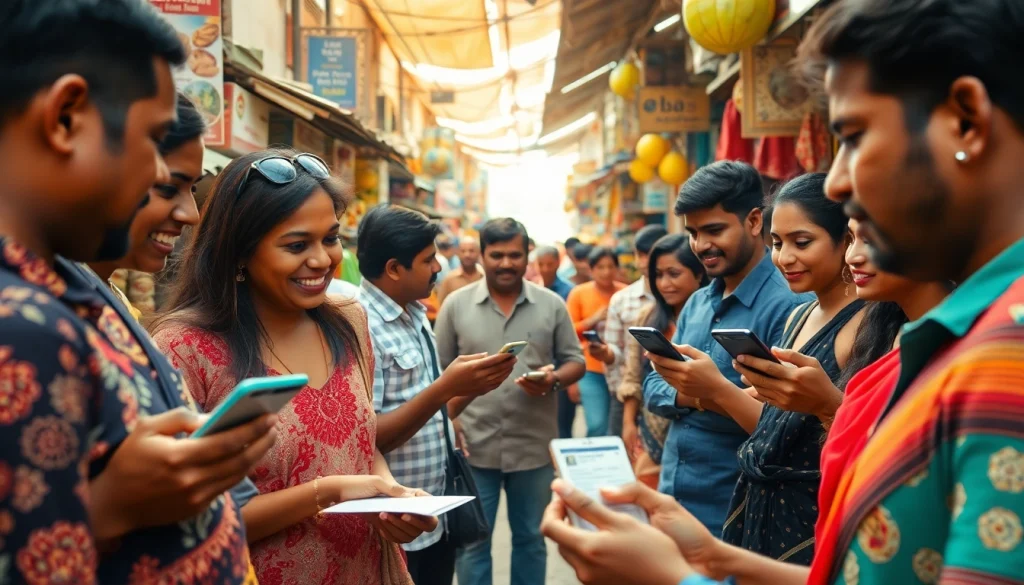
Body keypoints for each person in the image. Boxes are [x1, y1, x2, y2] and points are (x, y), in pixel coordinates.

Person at [544, 1, 1024, 583]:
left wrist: (677, 579)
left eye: (855, 136)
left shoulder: (1004, 354)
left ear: (966, 121)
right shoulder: (952, 334)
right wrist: (717, 560)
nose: (839, 182)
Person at [0, 2, 279, 583]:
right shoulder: (23, 327)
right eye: (151, 141)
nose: (156, 174)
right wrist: (113, 507)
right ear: (65, 117)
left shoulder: (69, 291)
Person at [538, 220, 952, 585]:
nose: (855, 255)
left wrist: (817, 405)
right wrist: (714, 558)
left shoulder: (919, 348)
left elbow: (857, 466)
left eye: (870, 237)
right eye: (779, 243)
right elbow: (658, 388)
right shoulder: (788, 316)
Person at [151, 149, 436, 585]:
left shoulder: (349, 321)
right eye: (297, 245)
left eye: (331, 238)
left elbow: (362, 443)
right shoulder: (185, 349)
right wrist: (328, 492)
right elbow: (187, 520)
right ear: (239, 252)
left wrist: (388, 495)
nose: (322, 260)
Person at [642, 160, 811, 538]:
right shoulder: (698, 302)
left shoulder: (790, 306)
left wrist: (708, 388)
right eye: (693, 233)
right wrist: (698, 395)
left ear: (754, 221)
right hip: (673, 500)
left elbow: (784, 424)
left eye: (714, 230)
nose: (701, 245)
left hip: (737, 517)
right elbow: (651, 387)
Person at [356, 204, 516, 585]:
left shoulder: (414, 313)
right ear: (394, 269)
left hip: (434, 512)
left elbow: (428, 405)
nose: (439, 267)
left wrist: (469, 389)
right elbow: (366, 438)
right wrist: (446, 387)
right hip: (396, 523)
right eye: (428, 260)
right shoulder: (362, 326)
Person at [716, 173, 865, 564]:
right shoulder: (799, 315)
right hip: (762, 508)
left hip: (810, 516)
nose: (784, 258)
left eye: (802, 242)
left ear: (846, 240)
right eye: (777, 243)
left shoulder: (866, 324)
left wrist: (717, 390)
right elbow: (777, 428)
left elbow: (864, 440)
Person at [434, 218, 586, 585]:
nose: (506, 263)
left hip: (532, 446)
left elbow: (576, 362)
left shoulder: (551, 305)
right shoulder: (455, 305)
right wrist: (452, 419)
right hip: (473, 448)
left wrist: (552, 380)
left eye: (514, 255)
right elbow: (437, 374)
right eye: (497, 255)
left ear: (526, 254)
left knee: (531, 539)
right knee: (473, 543)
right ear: (482, 255)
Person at [618, 234, 708, 488]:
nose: (665, 284)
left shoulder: (710, 318)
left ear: (698, 274)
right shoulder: (647, 317)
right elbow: (633, 375)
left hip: (695, 434)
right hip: (651, 429)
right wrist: (628, 424)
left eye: (674, 274)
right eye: (658, 275)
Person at [597, 225, 668, 437]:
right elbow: (616, 349)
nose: (644, 262)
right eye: (640, 255)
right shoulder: (622, 299)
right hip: (628, 393)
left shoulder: (682, 298)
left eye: (650, 255)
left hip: (670, 395)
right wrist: (621, 392)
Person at [567, 246, 627, 436]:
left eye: (610, 266)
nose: (606, 272)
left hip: (621, 368)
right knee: (597, 424)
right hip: (591, 369)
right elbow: (568, 333)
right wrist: (591, 320)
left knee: (618, 426)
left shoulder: (626, 294)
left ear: (617, 269)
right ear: (591, 269)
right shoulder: (579, 293)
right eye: (600, 267)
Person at [535, 245, 579, 438]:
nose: (545, 269)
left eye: (549, 264)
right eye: (541, 264)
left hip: (561, 365)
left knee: (563, 424)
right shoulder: (534, 291)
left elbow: (572, 336)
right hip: (540, 364)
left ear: (558, 263)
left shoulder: (569, 292)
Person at [438, 236, 483, 305]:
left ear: (479, 253)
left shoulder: (485, 277)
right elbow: (442, 306)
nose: (467, 255)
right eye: (463, 251)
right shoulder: (449, 280)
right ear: (457, 253)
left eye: (471, 251)